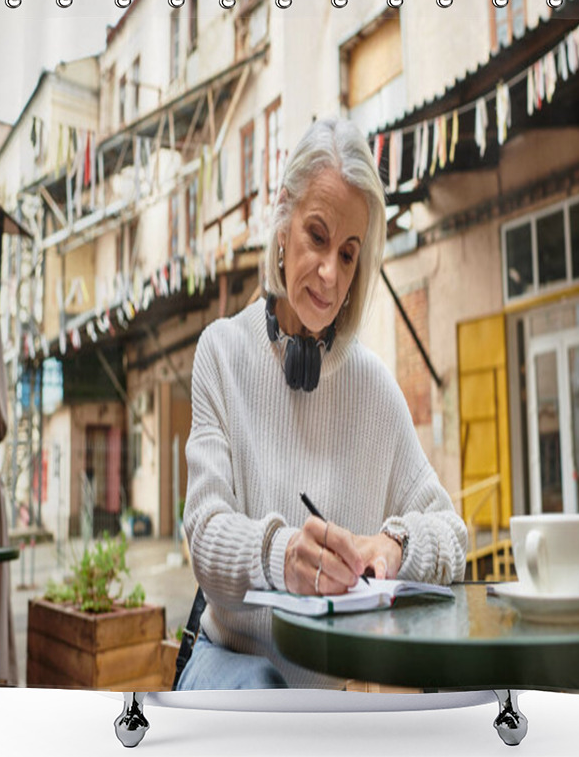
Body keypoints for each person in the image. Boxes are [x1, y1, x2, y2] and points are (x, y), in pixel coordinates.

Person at [179, 118, 467, 690]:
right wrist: (284, 555)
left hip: (328, 691)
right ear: (283, 220)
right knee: (265, 694)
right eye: (317, 235)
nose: (331, 274)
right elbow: (205, 537)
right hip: (232, 669)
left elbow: (453, 534)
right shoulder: (221, 352)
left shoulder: (374, 388)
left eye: (349, 253)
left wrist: (393, 546)